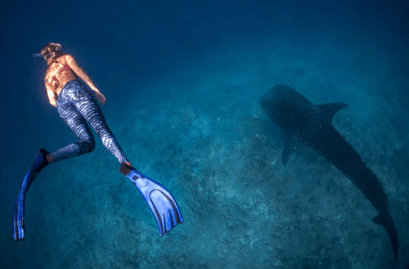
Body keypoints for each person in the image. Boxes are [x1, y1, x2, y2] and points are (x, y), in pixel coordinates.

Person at [13, 43, 183, 241]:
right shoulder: (65, 59)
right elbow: (80, 73)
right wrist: (94, 90)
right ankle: (125, 163)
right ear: (56, 51)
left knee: (87, 143)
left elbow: (52, 101)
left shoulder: (46, 77)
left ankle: (48, 158)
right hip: (75, 90)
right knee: (102, 130)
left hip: (62, 105)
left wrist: (63, 96)